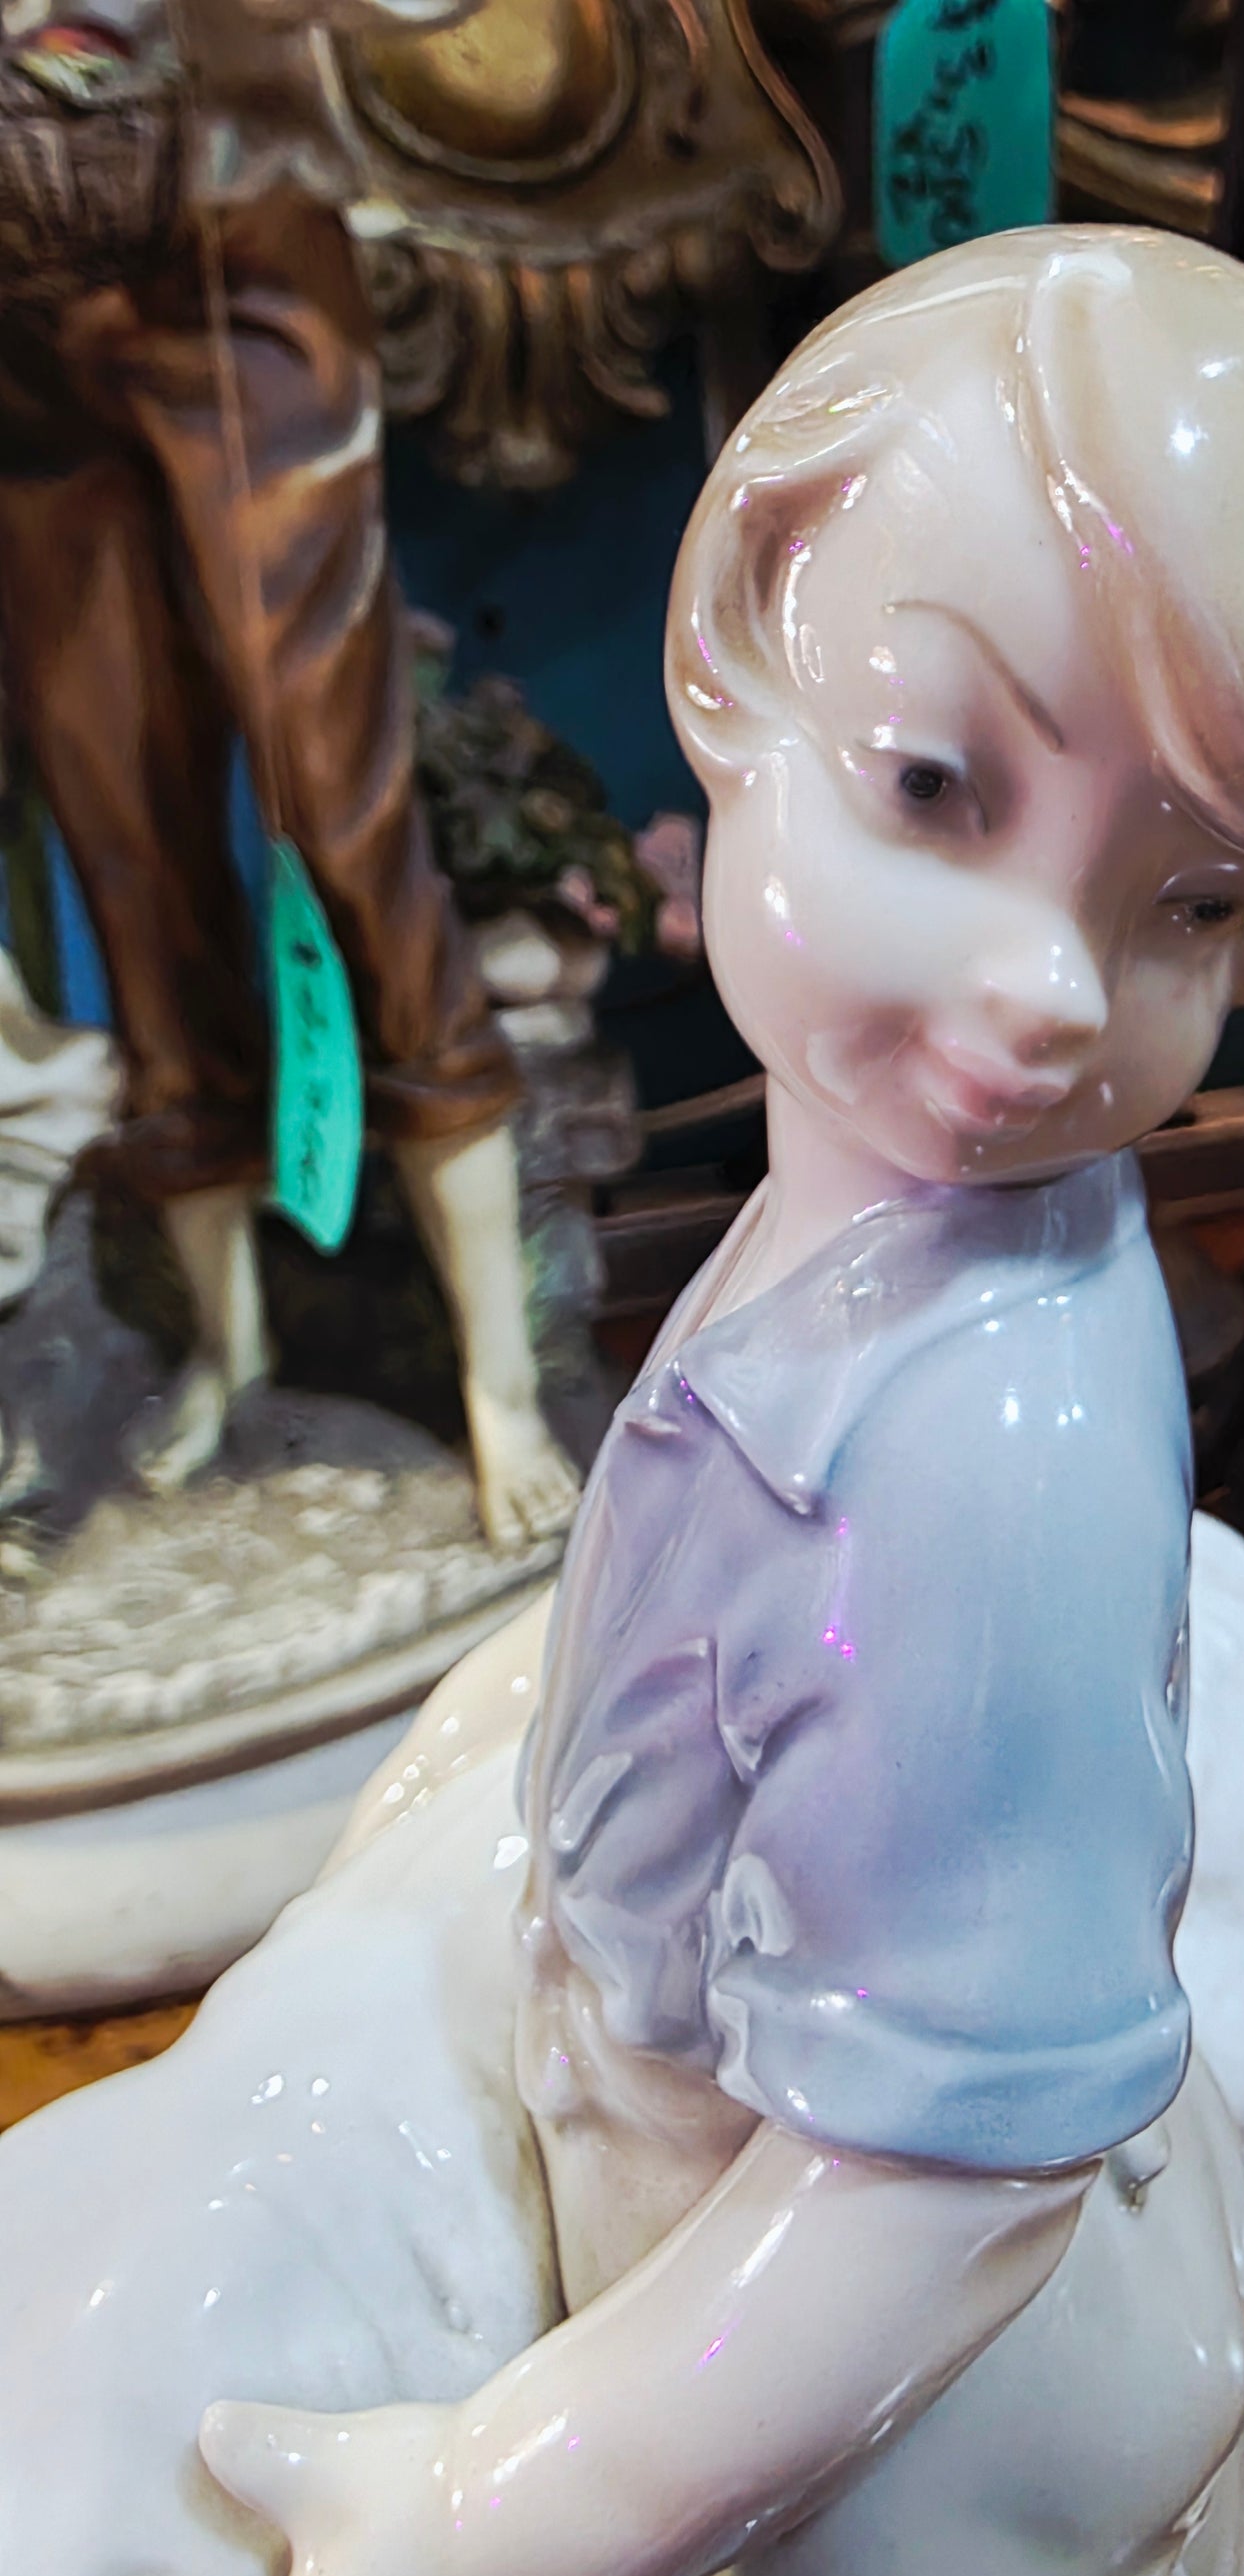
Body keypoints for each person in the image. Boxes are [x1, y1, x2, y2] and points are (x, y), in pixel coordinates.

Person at [195, 226, 1244, 2576]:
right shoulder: (882, 1235)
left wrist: (490, 2505)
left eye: (1190, 904)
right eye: (936, 782)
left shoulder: (985, 1458)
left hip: (881, 2437)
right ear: (735, 631)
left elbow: (934, 2190)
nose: (1045, 985)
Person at [0, 0, 578, 1544]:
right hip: (23, 328)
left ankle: (500, 1379)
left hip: (230, 243)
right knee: (119, 830)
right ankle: (228, 1346)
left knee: (335, 797)